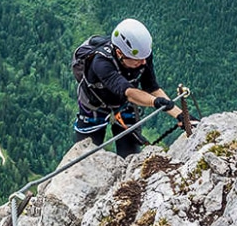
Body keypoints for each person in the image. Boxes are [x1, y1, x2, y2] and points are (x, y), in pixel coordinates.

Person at [73, 18, 187, 158]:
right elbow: (128, 92)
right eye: (138, 60)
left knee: (130, 155)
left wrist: (181, 115)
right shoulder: (101, 62)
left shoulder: (141, 54)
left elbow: (151, 87)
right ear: (120, 53)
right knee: (86, 157)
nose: (143, 62)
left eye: (145, 57)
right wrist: (155, 102)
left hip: (124, 104)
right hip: (94, 104)